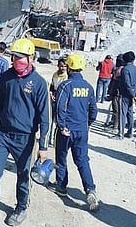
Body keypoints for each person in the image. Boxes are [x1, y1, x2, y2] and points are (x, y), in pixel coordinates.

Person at [0, 38, 50, 227]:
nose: (16, 61)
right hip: (2, 135)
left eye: (20, 57)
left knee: (23, 176)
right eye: (14, 57)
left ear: (31, 57)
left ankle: (21, 207)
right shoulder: (7, 76)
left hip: (25, 139)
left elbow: (45, 117)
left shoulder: (39, 83)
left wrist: (43, 146)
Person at [46, 54, 100, 212]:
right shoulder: (89, 87)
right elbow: (93, 110)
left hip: (66, 131)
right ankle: (90, 190)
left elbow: (59, 107)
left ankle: (62, 187)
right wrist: (89, 124)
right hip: (82, 131)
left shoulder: (65, 85)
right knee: (83, 161)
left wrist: (62, 125)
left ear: (69, 67)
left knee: (61, 159)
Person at [112, 51, 136, 140]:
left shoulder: (125, 70)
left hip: (124, 94)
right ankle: (130, 132)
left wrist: (131, 94)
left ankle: (120, 134)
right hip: (132, 93)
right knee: (130, 113)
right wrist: (134, 91)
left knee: (122, 114)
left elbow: (126, 83)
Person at [49, 58, 68, 146]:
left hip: (63, 99)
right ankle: (50, 139)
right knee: (51, 121)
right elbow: (52, 87)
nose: (63, 68)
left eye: (64, 66)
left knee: (59, 120)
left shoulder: (67, 76)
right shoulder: (55, 75)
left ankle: (57, 139)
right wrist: (51, 94)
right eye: (61, 66)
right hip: (54, 98)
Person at [104, 54, 124, 130]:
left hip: (117, 93)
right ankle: (115, 123)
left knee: (116, 110)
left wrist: (111, 93)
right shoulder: (122, 69)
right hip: (119, 93)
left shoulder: (119, 71)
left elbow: (115, 84)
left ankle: (115, 125)